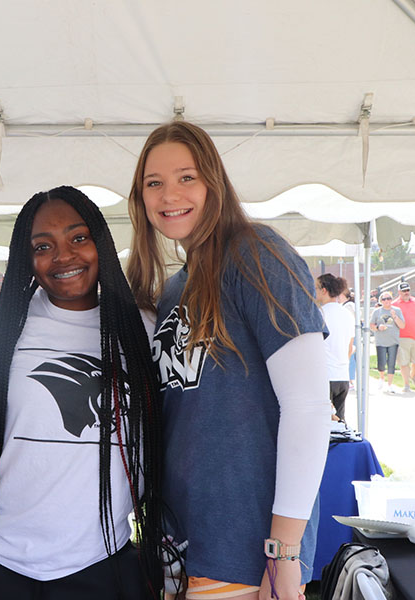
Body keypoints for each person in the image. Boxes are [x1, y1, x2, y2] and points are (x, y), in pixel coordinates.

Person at [126, 121, 331, 600]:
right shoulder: (176, 287)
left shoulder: (256, 254)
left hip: (245, 554)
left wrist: (284, 554)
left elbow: (309, 408)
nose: (168, 194)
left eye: (186, 177)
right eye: (153, 183)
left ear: (213, 181)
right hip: (181, 551)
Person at [0, 186, 166, 599]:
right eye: (43, 246)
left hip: (101, 560)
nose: (64, 256)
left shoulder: (141, 328)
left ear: (100, 242)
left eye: (79, 238)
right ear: (26, 258)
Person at [316, 274, 356, 422]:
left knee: (324, 427)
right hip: (342, 377)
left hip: (326, 376)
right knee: (340, 426)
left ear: (324, 290)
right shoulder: (347, 314)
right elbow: (350, 348)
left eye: (316, 288)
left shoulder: (320, 314)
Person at [392, 281, 415, 393]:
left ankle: (412, 376)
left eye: (407, 290)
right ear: (399, 292)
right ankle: (406, 384)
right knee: (404, 362)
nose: (406, 292)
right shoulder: (395, 304)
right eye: (403, 291)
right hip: (402, 338)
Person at [369, 291, 405, 392]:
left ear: (391, 299)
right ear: (381, 301)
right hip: (380, 341)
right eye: (384, 299)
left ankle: (390, 384)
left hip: (393, 341)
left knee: (391, 363)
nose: (386, 301)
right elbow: (371, 325)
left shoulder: (397, 310)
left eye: (388, 298)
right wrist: (378, 327)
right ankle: (381, 377)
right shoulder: (377, 312)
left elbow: (402, 326)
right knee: (381, 363)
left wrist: (394, 317)